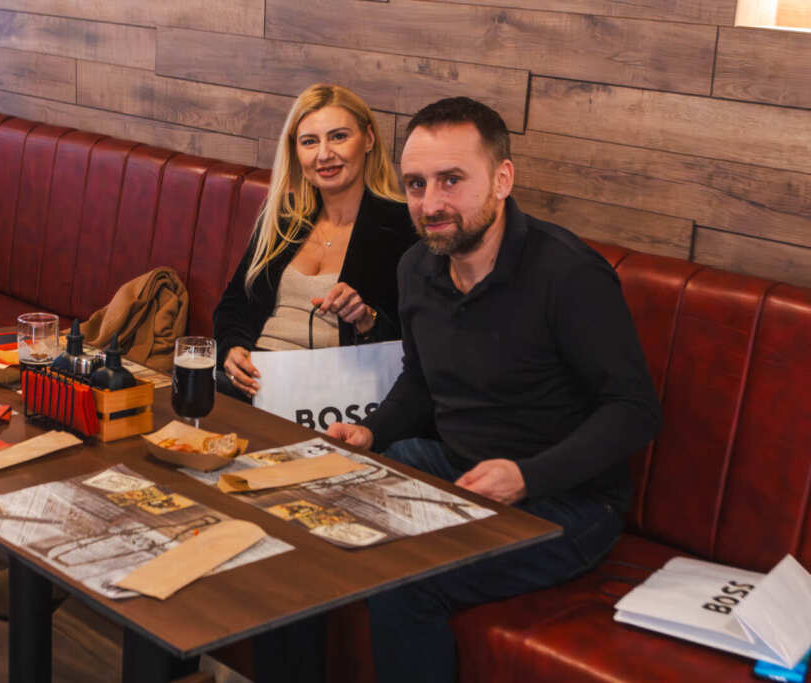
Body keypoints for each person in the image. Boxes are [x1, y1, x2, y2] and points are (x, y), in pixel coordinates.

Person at [327, 97, 661, 682]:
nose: (430, 203)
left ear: (502, 179)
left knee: (404, 581)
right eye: (415, 184)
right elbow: (421, 382)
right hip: (458, 468)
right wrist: (371, 432)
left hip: (570, 502)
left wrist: (528, 476)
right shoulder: (415, 268)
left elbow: (635, 411)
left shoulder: (569, 274)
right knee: (316, 520)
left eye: (451, 180)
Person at [214, 83, 417, 400]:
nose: (324, 154)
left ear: (368, 139)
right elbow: (234, 304)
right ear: (295, 151)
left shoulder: (402, 226)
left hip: (334, 396)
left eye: (339, 137)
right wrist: (232, 349)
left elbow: (413, 346)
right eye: (310, 141)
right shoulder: (284, 216)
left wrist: (367, 320)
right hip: (253, 384)